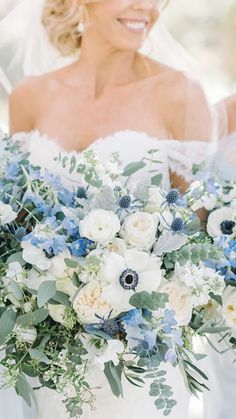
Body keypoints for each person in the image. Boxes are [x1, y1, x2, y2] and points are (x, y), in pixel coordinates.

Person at [1, 1, 219, 418]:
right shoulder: (30, 96)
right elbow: (18, 228)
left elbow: (195, 228)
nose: (147, 7)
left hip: (141, 362)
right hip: (52, 362)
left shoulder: (180, 93)